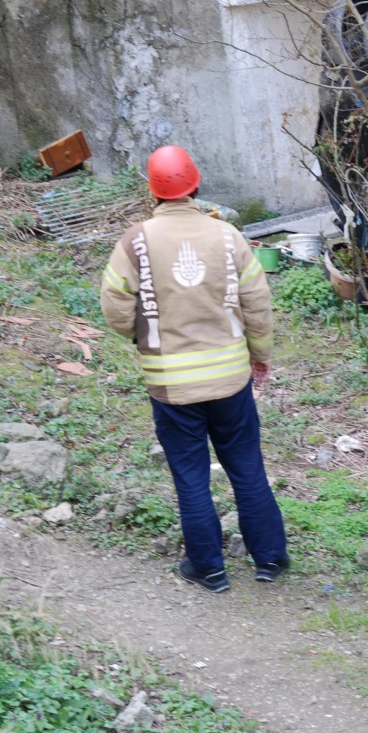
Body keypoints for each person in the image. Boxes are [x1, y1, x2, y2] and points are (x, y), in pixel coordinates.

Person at [100, 145, 288, 594]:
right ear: (196, 184)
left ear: (153, 191)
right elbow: (257, 304)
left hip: (171, 384)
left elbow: (114, 305)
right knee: (246, 467)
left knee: (190, 476)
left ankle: (209, 569)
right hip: (229, 379)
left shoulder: (136, 240)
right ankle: (270, 560)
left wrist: (140, 333)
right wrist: (260, 355)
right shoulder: (227, 237)